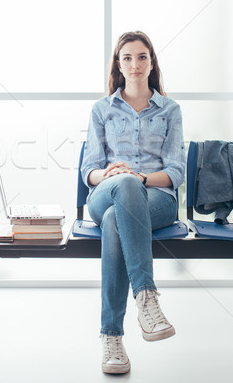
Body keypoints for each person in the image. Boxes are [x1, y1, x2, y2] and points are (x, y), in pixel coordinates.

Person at [80, 31, 186, 374]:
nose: (135, 64)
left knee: (116, 219)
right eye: (127, 57)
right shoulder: (101, 110)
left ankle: (111, 337)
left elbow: (175, 171)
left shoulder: (170, 110)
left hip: (157, 199)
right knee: (120, 189)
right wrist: (111, 174)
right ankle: (147, 299)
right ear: (118, 64)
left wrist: (139, 179)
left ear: (151, 62)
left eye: (142, 57)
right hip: (105, 192)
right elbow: (89, 171)